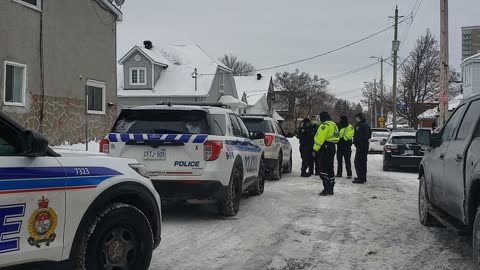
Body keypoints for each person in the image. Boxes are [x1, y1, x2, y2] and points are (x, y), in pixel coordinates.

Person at [313, 112, 339, 196]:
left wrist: (315, 149)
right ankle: (331, 188)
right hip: (332, 147)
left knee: (323, 169)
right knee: (330, 168)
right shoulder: (333, 124)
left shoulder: (324, 125)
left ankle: (326, 188)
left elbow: (320, 138)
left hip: (325, 148)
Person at [353, 113, 371, 184]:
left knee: (358, 162)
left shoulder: (361, 125)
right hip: (363, 146)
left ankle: (361, 178)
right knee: (362, 162)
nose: (355, 119)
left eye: (356, 118)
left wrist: (359, 143)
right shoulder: (366, 125)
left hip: (361, 146)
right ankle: (362, 177)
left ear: (359, 118)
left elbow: (362, 136)